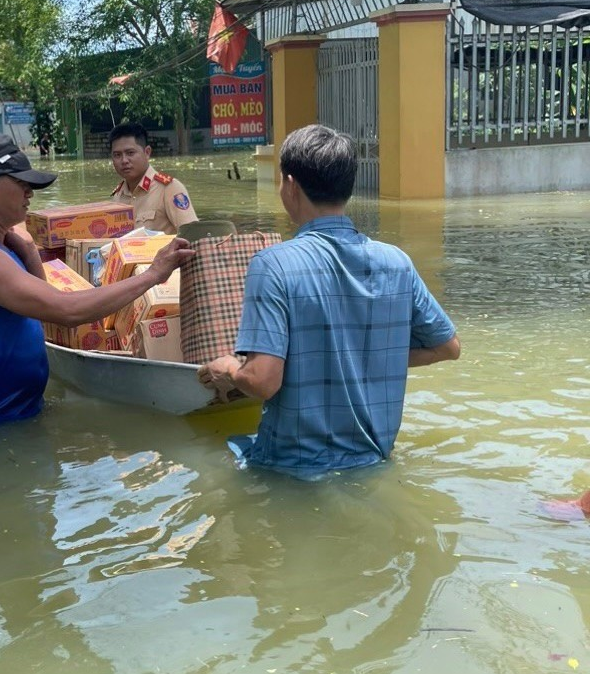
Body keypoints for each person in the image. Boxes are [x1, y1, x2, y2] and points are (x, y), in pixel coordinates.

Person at [197, 124, 460, 479]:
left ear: (290, 185)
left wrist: (226, 367)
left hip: (290, 469)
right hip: (375, 461)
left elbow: (262, 381)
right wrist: (367, 355)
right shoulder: (396, 262)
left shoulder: (273, 264)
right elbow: (448, 347)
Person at [0, 132, 194, 427]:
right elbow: (66, 311)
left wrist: (30, 251)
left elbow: (44, 312)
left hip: (16, 417)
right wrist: (153, 274)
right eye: (21, 184)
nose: (30, 193)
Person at [108, 122, 198, 234]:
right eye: (117, 155)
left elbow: (193, 234)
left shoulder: (169, 189)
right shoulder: (117, 197)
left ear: (147, 152)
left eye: (130, 153)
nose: (124, 160)